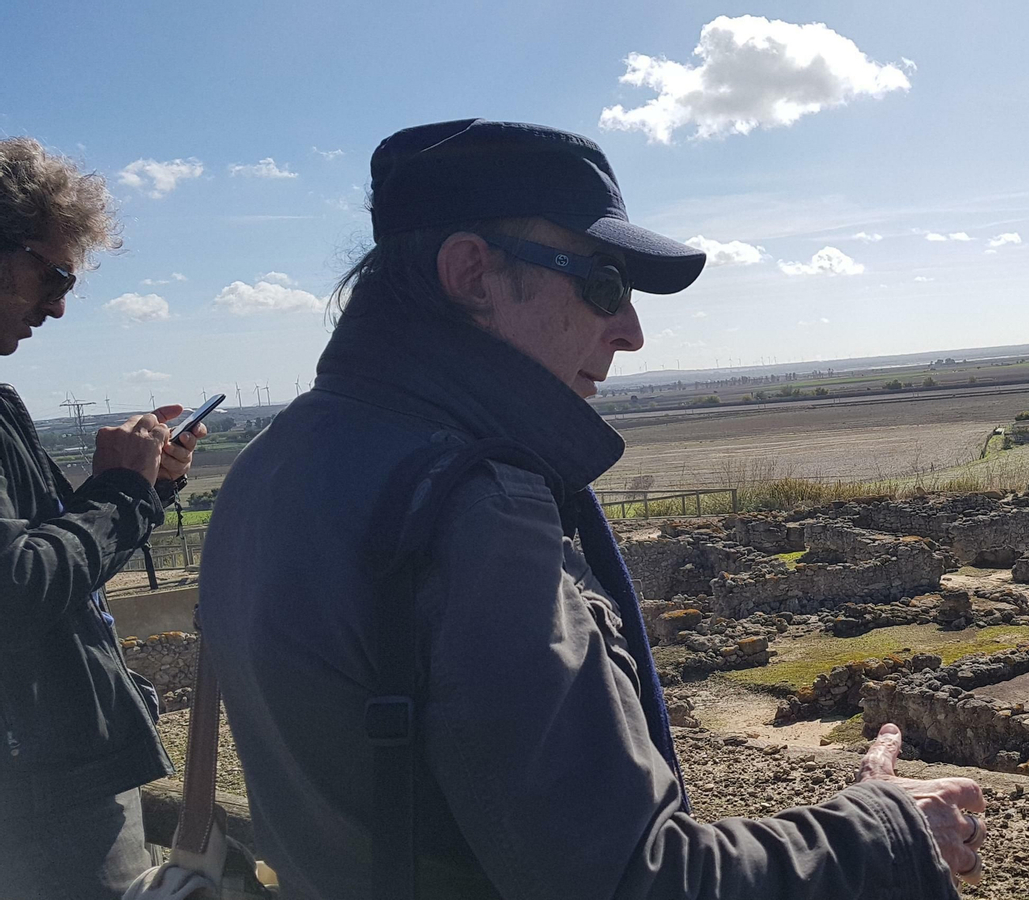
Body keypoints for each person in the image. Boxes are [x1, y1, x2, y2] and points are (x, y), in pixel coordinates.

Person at [201, 119, 986, 899]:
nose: (633, 332)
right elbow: (637, 884)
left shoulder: (274, 462)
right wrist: (883, 829)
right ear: (473, 273)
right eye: (604, 284)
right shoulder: (472, 510)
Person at [0, 137, 207, 899]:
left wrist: (143, 491)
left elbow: (54, 564)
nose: (57, 307)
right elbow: (16, 587)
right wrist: (119, 493)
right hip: (39, 801)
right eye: (53, 276)